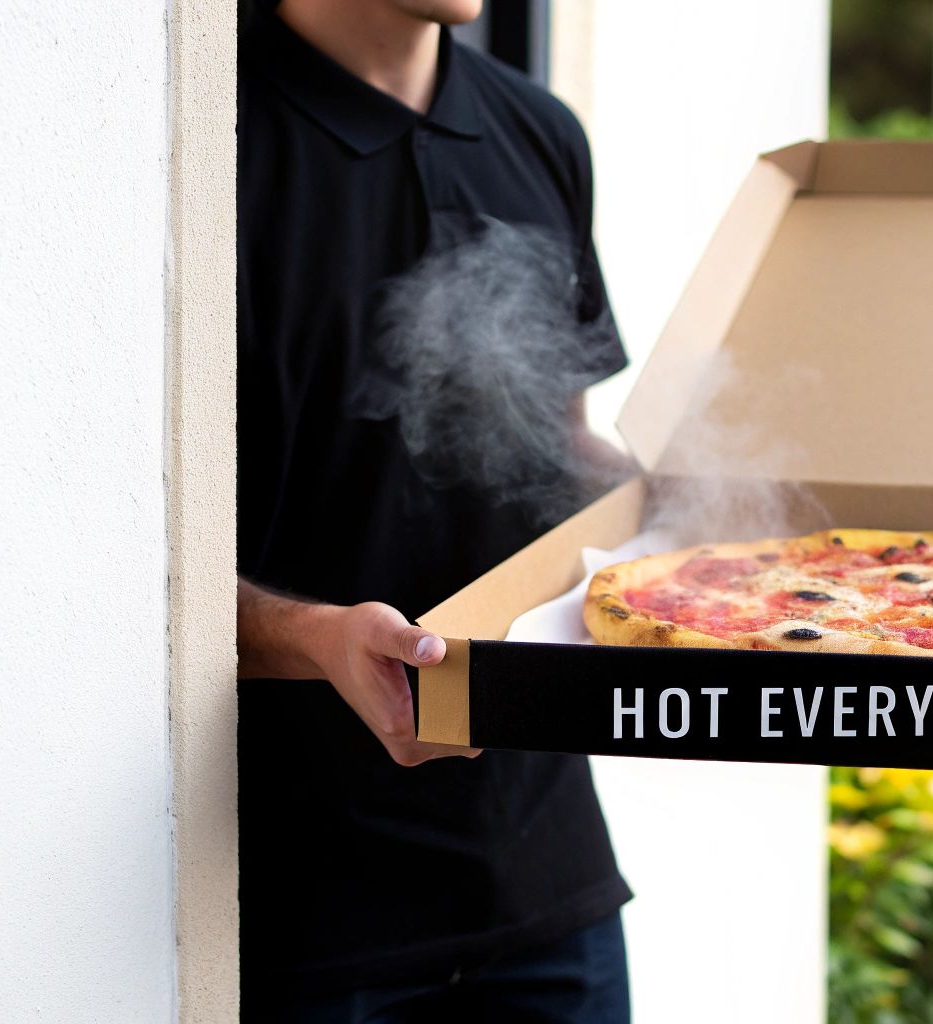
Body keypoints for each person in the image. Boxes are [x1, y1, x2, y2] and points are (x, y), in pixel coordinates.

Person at [239, 0, 634, 1019]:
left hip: (548, 881)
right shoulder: (203, 135)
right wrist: (314, 635)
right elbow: (115, 549)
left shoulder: (539, 131)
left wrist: (704, 500)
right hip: (307, 916)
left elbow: (564, 449)